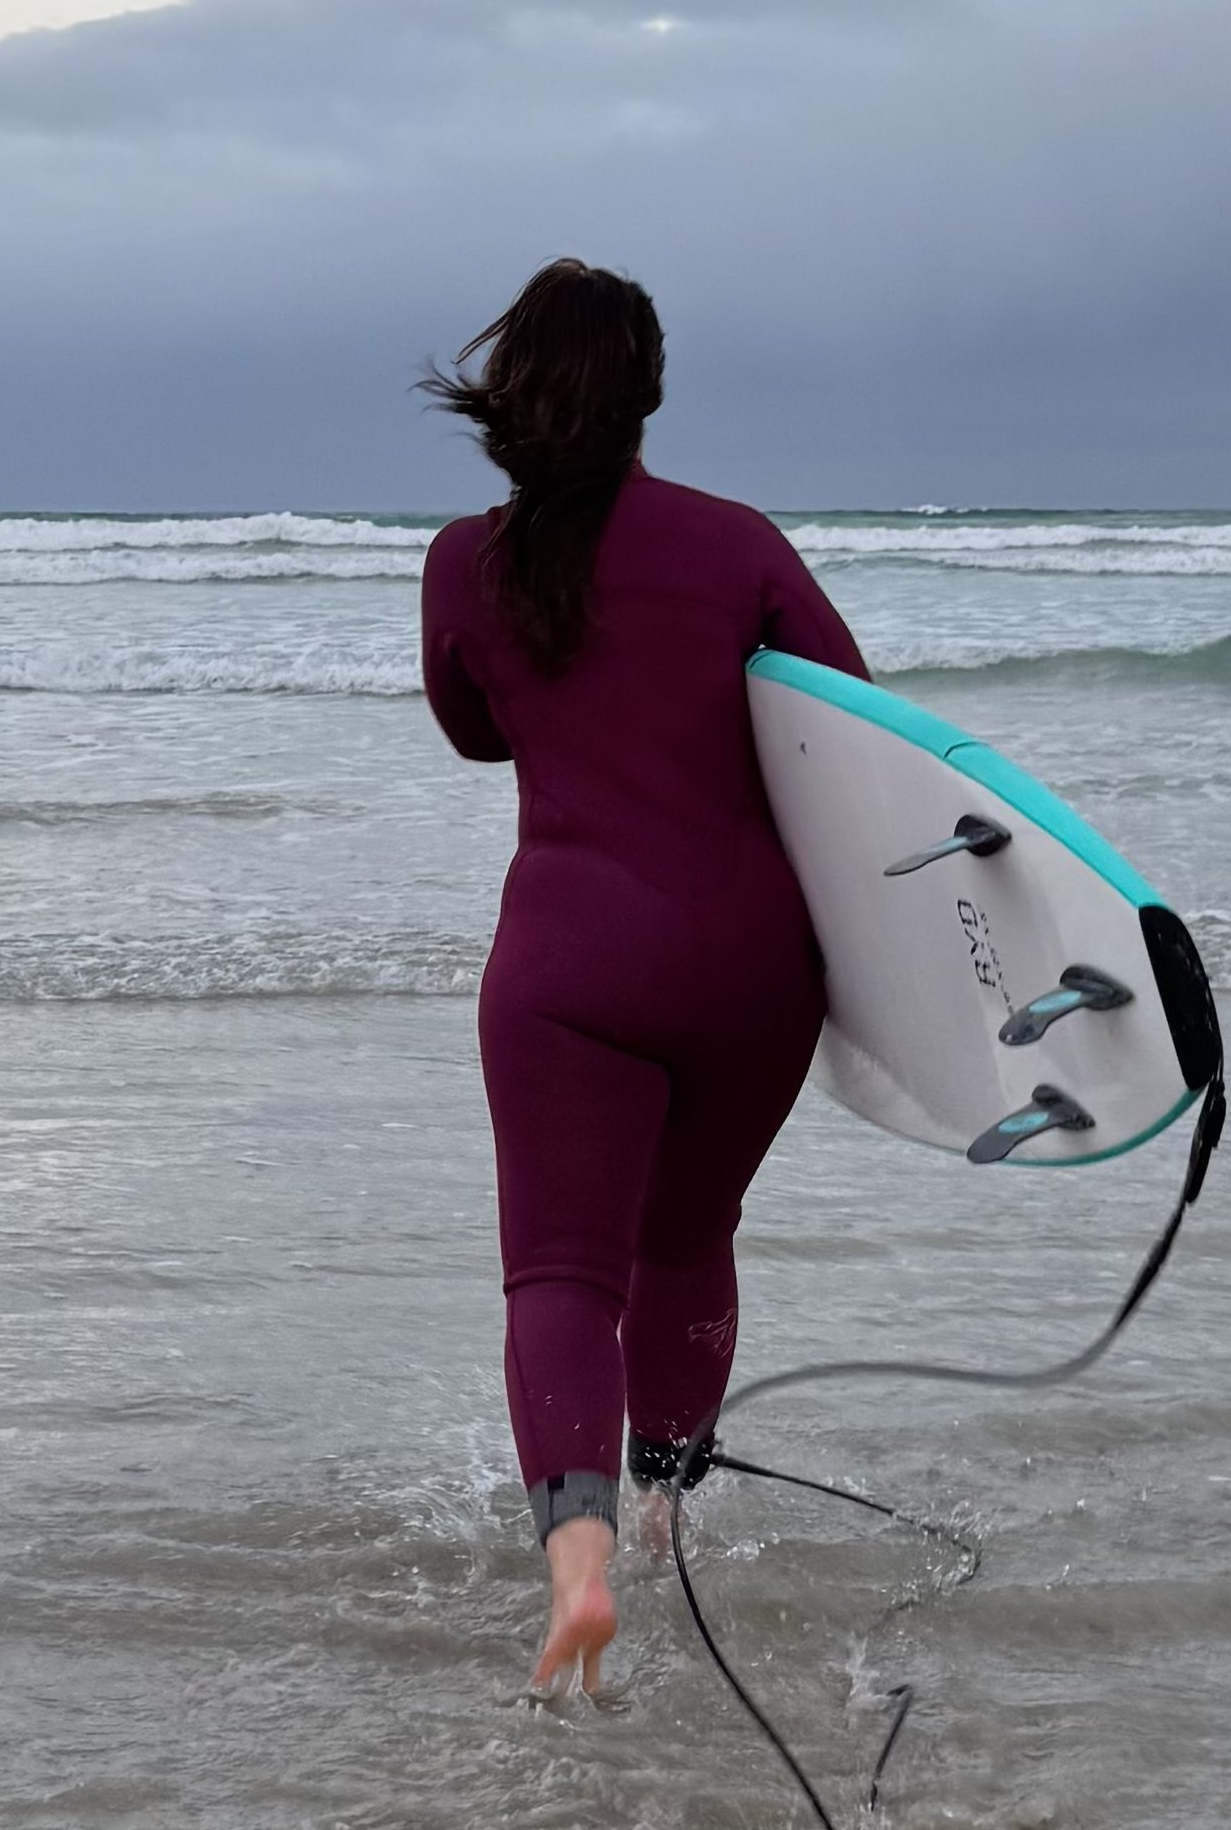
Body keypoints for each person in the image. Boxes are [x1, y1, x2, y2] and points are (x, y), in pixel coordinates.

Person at [416, 259, 868, 1700]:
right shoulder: (736, 545)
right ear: (650, 388)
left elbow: (474, 733)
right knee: (688, 1238)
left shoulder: (462, 560)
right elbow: (855, 732)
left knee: (560, 1270)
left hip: (566, 960)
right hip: (751, 964)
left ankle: (580, 1566)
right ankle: (672, 1512)